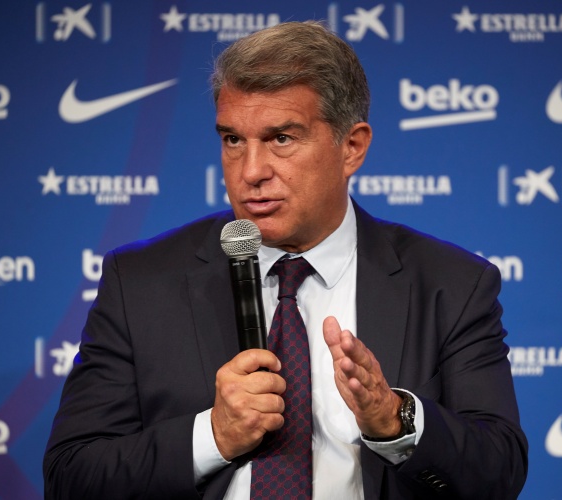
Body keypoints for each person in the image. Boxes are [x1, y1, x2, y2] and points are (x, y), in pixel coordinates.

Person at [43, 21, 527, 499]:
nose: (251, 172)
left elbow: (499, 473)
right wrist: (213, 435)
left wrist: (394, 418)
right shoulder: (139, 282)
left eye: (281, 139)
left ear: (352, 147)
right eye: (233, 140)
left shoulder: (451, 285)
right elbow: (70, 478)